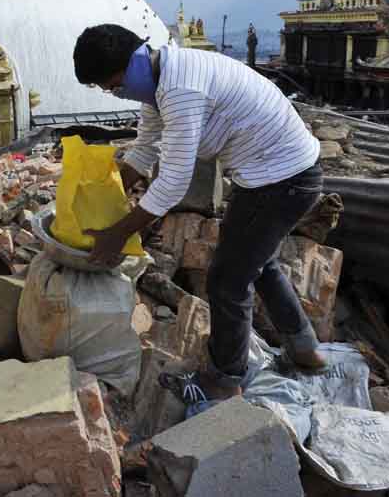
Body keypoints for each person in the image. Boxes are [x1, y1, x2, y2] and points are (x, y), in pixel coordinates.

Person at [72, 24, 326, 403]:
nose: (113, 93)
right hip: (274, 174)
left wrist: (117, 234)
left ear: (133, 61)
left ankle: (224, 379)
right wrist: (102, 198)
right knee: (260, 261)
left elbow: (173, 181)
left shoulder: (179, 89)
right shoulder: (161, 81)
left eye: (112, 84)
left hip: (282, 180)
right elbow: (144, 150)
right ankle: (305, 348)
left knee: (227, 280)